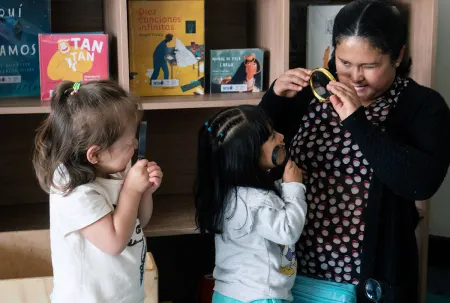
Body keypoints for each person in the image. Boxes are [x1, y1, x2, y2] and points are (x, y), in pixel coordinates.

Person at [259, 1, 450, 302]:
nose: (355, 77)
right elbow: (250, 155)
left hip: (369, 279)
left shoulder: (424, 106)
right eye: (344, 63)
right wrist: (273, 100)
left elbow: (421, 183)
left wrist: (357, 122)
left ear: (398, 55)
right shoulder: (310, 95)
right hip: (289, 272)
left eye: (369, 66)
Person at [32, 80, 163, 303]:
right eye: (128, 143)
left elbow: (138, 220)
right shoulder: (74, 192)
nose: (134, 146)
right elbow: (113, 242)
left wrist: (145, 193)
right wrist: (132, 190)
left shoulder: (113, 168)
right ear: (95, 154)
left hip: (123, 295)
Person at [194, 105, 308, 303]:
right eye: (272, 136)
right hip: (259, 296)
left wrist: (283, 184)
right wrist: (294, 188)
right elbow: (288, 230)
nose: (281, 136)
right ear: (250, 154)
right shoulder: (255, 202)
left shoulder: (226, 192)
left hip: (227, 293)